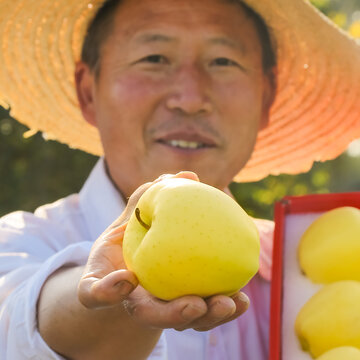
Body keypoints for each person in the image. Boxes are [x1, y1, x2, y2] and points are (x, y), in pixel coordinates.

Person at [0, 0, 359, 359]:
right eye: (154, 58)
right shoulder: (17, 243)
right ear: (88, 90)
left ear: (265, 97)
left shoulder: (308, 262)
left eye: (223, 62)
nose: (190, 99)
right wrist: (109, 292)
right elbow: (17, 321)